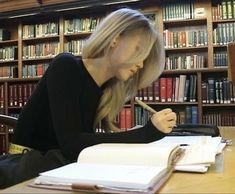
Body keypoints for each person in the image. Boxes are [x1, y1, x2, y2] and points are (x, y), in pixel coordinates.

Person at [0, 7, 176, 188]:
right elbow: (73, 144)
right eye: (139, 50)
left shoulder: (106, 89)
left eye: (145, 58)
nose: (141, 63)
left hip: (58, 171)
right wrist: (144, 134)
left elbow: (80, 144)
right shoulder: (66, 65)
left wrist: (135, 136)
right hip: (26, 169)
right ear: (115, 38)